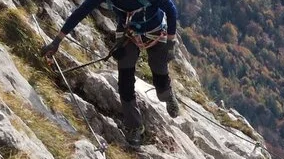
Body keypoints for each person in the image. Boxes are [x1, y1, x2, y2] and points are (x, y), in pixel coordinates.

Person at [41, 0, 181, 146]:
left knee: (160, 78)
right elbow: (81, 11)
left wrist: (171, 43)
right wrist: (56, 41)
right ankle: (135, 127)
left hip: (156, 32)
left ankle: (167, 95)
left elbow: (171, 10)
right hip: (129, 34)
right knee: (125, 80)